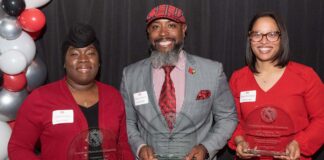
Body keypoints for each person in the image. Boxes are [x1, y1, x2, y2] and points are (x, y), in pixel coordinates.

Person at [120, 4, 238, 160]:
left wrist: (206, 148)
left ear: (184, 29)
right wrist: (140, 147)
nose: (163, 33)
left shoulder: (212, 71)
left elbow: (227, 118)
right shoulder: (131, 75)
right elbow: (126, 122)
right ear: (148, 33)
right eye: (155, 27)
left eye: (171, 25)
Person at [8, 23, 134, 160]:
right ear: (64, 62)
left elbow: (123, 146)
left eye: (91, 53)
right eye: (74, 54)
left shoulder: (113, 96)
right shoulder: (40, 98)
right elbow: (18, 147)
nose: (83, 59)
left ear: (99, 61)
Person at [228, 12, 324, 160]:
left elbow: (321, 119)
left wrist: (300, 144)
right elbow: (230, 120)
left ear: (281, 38)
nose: (264, 41)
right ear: (250, 39)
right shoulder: (238, 79)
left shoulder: (305, 76)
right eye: (257, 34)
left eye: (272, 34)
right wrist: (239, 140)